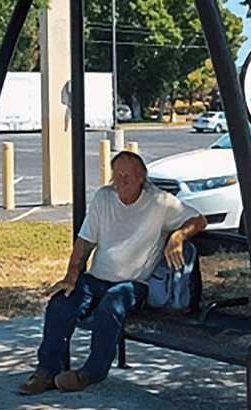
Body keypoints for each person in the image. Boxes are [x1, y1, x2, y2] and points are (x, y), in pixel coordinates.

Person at [18, 150, 207, 395]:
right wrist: (72, 275)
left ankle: (90, 373)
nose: (120, 182)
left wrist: (177, 236)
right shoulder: (103, 198)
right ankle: (46, 371)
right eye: (117, 176)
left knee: (111, 306)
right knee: (60, 304)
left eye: (127, 176)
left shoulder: (160, 202)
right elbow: (85, 242)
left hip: (134, 284)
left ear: (142, 177)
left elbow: (199, 220)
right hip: (95, 279)